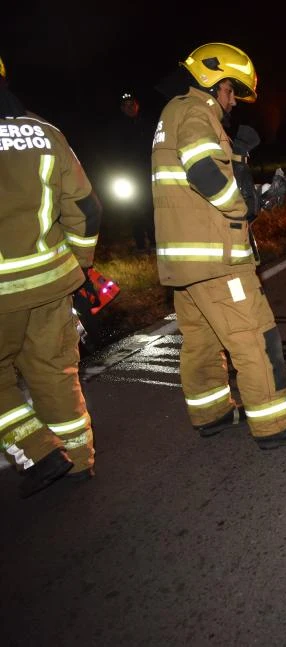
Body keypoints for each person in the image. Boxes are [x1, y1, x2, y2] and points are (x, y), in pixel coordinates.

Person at [151, 42, 286, 448]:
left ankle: (212, 413)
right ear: (214, 80)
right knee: (255, 336)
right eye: (231, 91)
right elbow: (204, 171)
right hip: (218, 261)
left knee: (202, 341)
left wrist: (257, 190)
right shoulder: (196, 111)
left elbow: (197, 184)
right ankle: (275, 424)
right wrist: (245, 206)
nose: (232, 101)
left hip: (186, 263)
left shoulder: (173, 112)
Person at [0, 54, 102, 497]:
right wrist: (79, 265)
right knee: (54, 372)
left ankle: (39, 451)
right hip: (52, 281)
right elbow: (85, 209)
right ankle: (79, 463)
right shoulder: (45, 131)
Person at [116, 91, 156, 252]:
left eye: (132, 104)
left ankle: (154, 243)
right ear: (121, 109)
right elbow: (113, 152)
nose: (129, 108)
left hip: (149, 172)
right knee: (134, 210)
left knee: (151, 209)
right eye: (125, 105)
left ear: (137, 105)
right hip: (129, 176)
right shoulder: (117, 128)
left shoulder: (148, 124)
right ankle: (140, 244)